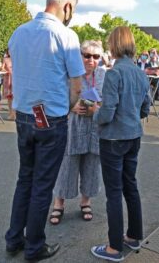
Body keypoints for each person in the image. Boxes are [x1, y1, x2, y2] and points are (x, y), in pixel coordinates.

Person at [5, 0, 85, 262]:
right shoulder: (66, 36)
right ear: (67, 7)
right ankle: (34, 246)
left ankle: (14, 238)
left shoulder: (19, 32)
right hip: (50, 118)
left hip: (25, 116)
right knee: (41, 184)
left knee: (25, 179)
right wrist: (67, 109)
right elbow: (77, 86)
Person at [91, 26, 150, 262]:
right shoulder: (140, 73)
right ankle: (134, 236)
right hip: (133, 136)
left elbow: (107, 112)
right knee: (130, 186)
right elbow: (145, 108)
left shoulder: (114, 73)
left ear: (114, 44)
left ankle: (114, 247)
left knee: (114, 193)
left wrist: (96, 113)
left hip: (113, 138)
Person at [50, 40, 105, 225]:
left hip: (94, 128)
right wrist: (71, 106)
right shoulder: (70, 74)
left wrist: (97, 108)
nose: (91, 60)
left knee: (91, 165)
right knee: (67, 165)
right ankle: (58, 203)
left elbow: (108, 99)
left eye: (96, 56)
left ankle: (86, 201)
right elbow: (55, 97)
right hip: (73, 126)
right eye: (87, 55)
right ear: (80, 56)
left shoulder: (103, 74)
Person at [2, 49, 15, 120]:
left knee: (15, 97)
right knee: (9, 97)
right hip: (8, 79)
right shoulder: (5, 59)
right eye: (9, 50)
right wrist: (6, 71)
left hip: (15, 78)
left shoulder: (16, 58)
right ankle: (10, 113)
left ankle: (14, 114)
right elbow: (2, 68)